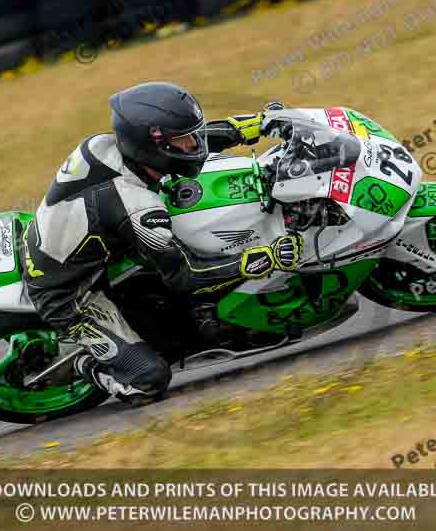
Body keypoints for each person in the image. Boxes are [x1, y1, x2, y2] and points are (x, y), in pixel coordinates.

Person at [21, 82, 302, 406]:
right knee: (150, 380)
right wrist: (261, 259)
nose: (194, 144)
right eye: (184, 139)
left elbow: (183, 148)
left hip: (73, 244)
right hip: (68, 293)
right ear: (151, 145)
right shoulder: (137, 206)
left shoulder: (102, 145)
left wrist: (248, 127)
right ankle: (87, 366)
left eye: (193, 134)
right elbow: (185, 275)